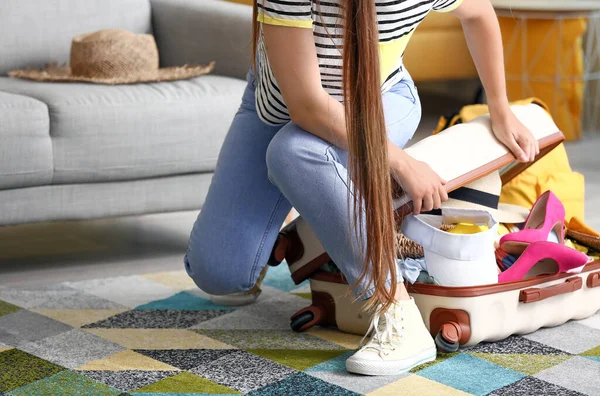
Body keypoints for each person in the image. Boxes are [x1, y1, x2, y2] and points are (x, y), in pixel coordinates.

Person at [184, 0, 539, 375]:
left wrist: (500, 108)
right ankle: (320, 201)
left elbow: (479, 13)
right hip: (287, 105)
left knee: (292, 153)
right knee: (217, 275)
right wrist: (401, 163)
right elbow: (307, 106)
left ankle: (394, 307)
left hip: (377, 99)